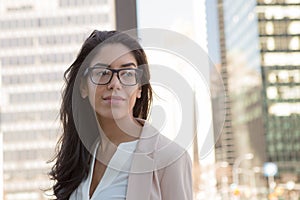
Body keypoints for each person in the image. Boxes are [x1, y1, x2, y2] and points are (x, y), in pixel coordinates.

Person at [49, 30, 192, 200]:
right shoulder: (78, 158)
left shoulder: (169, 158)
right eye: (102, 73)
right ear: (83, 87)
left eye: (127, 74)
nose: (115, 83)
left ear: (139, 87)